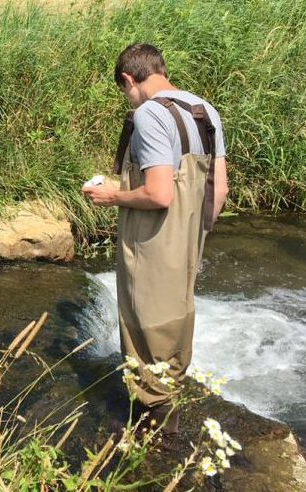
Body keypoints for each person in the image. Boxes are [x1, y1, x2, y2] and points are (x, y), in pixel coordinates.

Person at [83, 43, 229, 440]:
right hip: (189, 238)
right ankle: (169, 414)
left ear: (129, 79)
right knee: (175, 318)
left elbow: (160, 193)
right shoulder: (205, 110)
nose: (128, 98)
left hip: (152, 239)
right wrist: (192, 233)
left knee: (145, 324)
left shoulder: (148, 114)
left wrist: (111, 196)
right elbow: (219, 190)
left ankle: (155, 431)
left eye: (124, 91)